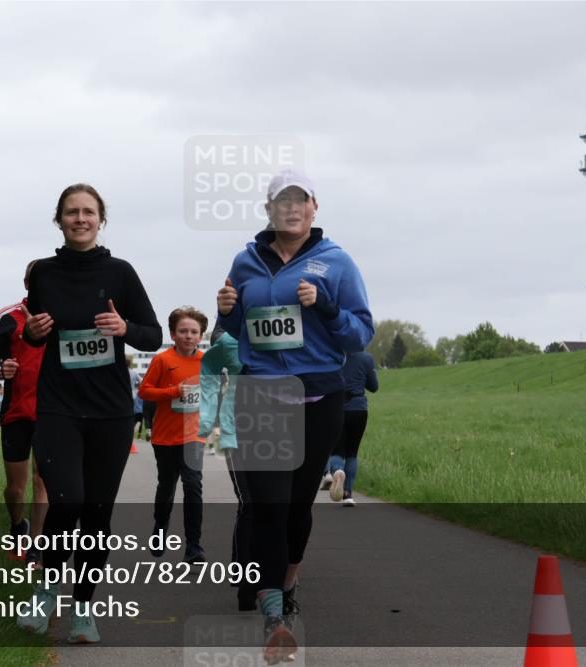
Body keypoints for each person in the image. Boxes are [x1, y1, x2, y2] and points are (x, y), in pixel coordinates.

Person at [216, 169, 373, 663]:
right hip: (260, 394)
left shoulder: (337, 263)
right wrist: (225, 312)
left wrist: (326, 306)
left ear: (313, 207)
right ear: (268, 210)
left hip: (318, 397)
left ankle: (287, 581)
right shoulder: (246, 261)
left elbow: (360, 334)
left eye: (298, 201)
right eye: (280, 201)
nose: (290, 209)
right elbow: (233, 333)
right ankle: (273, 614)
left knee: (298, 508)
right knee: (270, 506)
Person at [16, 183, 162, 644]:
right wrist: (36, 333)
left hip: (111, 412)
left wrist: (124, 327)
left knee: (97, 514)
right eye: (71, 212)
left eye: (88, 212)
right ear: (58, 220)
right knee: (68, 501)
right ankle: (46, 590)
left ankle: (82, 608)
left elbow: (152, 334)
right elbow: (38, 334)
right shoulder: (42, 273)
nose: (80, 219)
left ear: (102, 219)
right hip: (59, 406)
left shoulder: (121, 272)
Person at [0, 260, 49, 563]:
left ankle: (35, 545)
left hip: (52, 413)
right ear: (27, 284)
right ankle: (17, 525)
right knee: (15, 488)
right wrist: (1, 369)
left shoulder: (61, 320)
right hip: (16, 412)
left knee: (42, 481)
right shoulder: (8, 317)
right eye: (39, 282)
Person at [138, 306, 208, 564]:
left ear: (201, 336)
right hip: (165, 436)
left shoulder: (206, 362)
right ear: (173, 334)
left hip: (194, 435)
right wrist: (172, 391)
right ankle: (159, 529)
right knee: (166, 487)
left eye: (194, 332)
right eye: (183, 331)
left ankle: (194, 545)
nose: (188, 336)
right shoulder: (162, 360)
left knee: (193, 487)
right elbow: (144, 392)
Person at [198, 320, 253, 610]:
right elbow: (208, 367)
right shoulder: (229, 339)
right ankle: (244, 580)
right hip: (236, 432)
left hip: (280, 430)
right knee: (249, 504)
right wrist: (207, 419)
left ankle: (279, 579)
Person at [321, 351, 378, 507]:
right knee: (352, 452)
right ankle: (347, 495)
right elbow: (374, 387)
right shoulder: (366, 358)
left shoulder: (333, 354)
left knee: (336, 449)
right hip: (359, 409)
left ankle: (337, 471)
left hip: (337, 407)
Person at [127, 356, 145, 440]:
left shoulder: (121, 372)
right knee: (132, 413)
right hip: (133, 394)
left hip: (124, 394)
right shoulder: (134, 373)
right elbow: (142, 381)